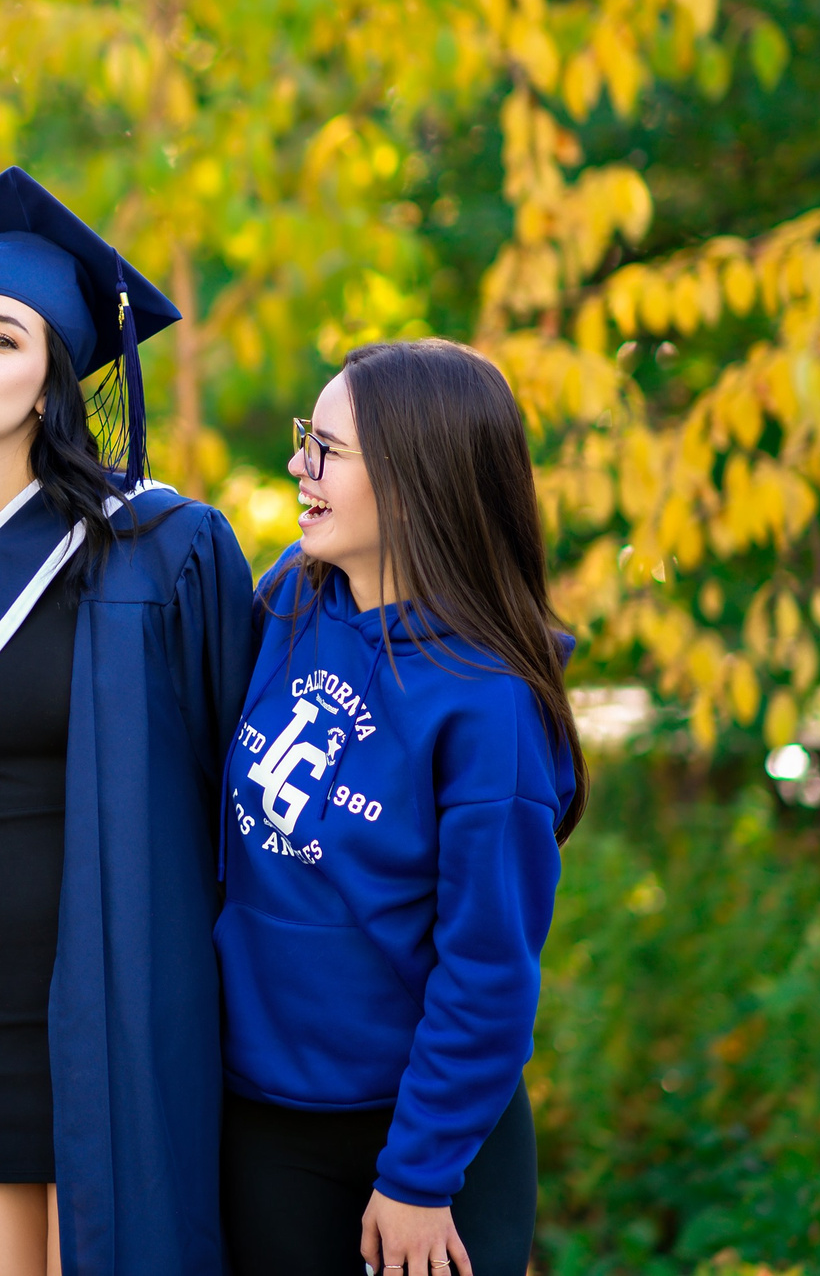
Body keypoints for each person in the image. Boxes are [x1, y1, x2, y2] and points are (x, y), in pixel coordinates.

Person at [0, 167, 256, 1276]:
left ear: (52, 385)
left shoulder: (165, 551)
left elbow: (241, 798)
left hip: (127, 1012)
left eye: (3, 339)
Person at [216, 337, 588, 1276]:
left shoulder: (488, 703)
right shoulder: (290, 602)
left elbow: (488, 971)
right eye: (306, 437)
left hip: (425, 1142)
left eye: (327, 450)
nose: (299, 466)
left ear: (417, 483)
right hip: (266, 1125)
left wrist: (420, 1177)